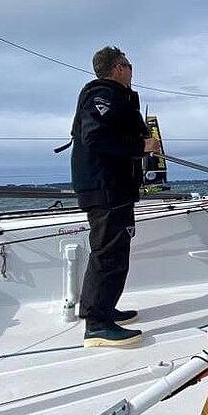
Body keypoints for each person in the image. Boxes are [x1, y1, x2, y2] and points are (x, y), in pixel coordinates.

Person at [70, 46, 160, 347]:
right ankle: (97, 324)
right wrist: (141, 145)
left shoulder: (114, 96)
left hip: (113, 187)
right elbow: (94, 136)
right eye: (128, 64)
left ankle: (103, 310)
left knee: (114, 251)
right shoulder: (103, 95)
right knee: (109, 253)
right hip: (106, 187)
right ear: (117, 68)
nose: (132, 69)